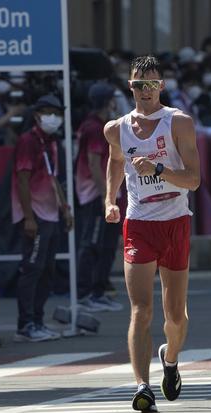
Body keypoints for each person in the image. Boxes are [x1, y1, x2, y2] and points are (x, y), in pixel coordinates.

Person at [103, 55, 200, 413]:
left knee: (175, 316)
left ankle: (170, 359)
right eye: (138, 84)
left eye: (152, 84)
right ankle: (142, 386)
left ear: (161, 86)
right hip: (139, 223)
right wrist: (110, 200)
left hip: (175, 221)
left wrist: (159, 169)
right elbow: (115, 160)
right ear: (129, 87)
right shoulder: (117, 128)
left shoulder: (179, 123)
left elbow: (193, 179)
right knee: (140, 310)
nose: (145, 91)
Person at [11, 94, 73, 343]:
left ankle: (37, 319)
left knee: (46, 269)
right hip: (35, 213)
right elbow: (22, 180)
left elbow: (53, 177)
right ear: (37, 116)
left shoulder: (52, 142)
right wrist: (28, 217)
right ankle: (25, 324)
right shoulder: (28, 141)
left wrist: (65, 208)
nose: (53, 118)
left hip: (50, 213)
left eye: (57, 113)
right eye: (48, 112)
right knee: (32, 268)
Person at [74, 82, 123, 313]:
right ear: (107, 101)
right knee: (92, 243)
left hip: (109, 193)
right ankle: (85, 293)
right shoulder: (94, 127)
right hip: (96, 195)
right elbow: (94, 164)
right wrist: (107, 196)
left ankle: (99, 290)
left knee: (107, 245)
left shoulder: (103, 126)